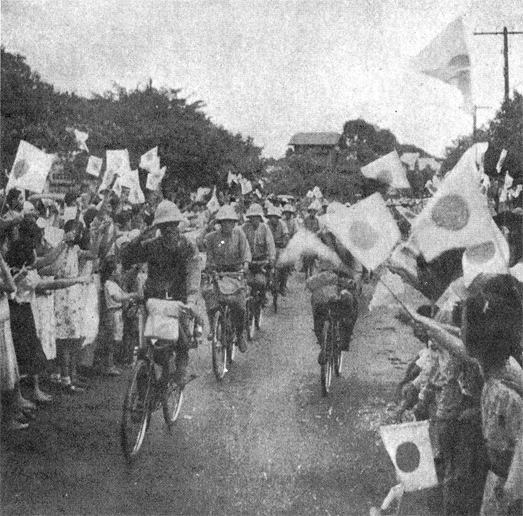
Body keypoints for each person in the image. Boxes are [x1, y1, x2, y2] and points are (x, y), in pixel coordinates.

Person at [121, 200, 201, 387]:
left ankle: (181, 371)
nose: (169, 231)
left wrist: (191, 299)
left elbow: (194, 273)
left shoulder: (188, 247)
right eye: (164, 227)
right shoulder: (152, 245)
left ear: (178, 226)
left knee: (182, 341)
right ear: (159, 228)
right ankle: (142, 392)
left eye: (172, 226)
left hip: (178, 300)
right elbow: (126, 259)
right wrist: (140, 237)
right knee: (144, 347)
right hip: (152, 300)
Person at [204, 205, 251, 352]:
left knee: (239, 303)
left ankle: (240, 332)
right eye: (224, 222)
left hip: (235, 274)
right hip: (218, 274)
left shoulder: (239, 235)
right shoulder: (212, 238)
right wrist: (210, 269)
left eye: (230, 221)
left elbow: (246, 254)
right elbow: (209, 258)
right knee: (209, 294)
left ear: (234, 222)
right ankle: (213, 326)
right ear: (220, 223)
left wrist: (245, 266)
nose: (227, 225)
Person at [241, 203, 276, 306]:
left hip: (261, 261)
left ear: (260, 217)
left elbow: (270, 245)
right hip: (248, 261)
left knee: (261, 282)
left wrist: (272, 258)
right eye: (252, 217)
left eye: (256, 217)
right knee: (245, 283)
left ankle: (263, 295)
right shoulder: (244, 228)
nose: (254, 220)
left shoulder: (265, 228)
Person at [266, 206, 289, 295]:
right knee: (266, 266)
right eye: (272, 217)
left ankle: (283, 286)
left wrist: (285, 241)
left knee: (285, 265)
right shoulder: (266, 225)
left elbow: (286, 235)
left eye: (275, 217)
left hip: (280, 247)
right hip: (269, 248)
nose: (273, 219)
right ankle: (268, 284)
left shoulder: (282, 224)